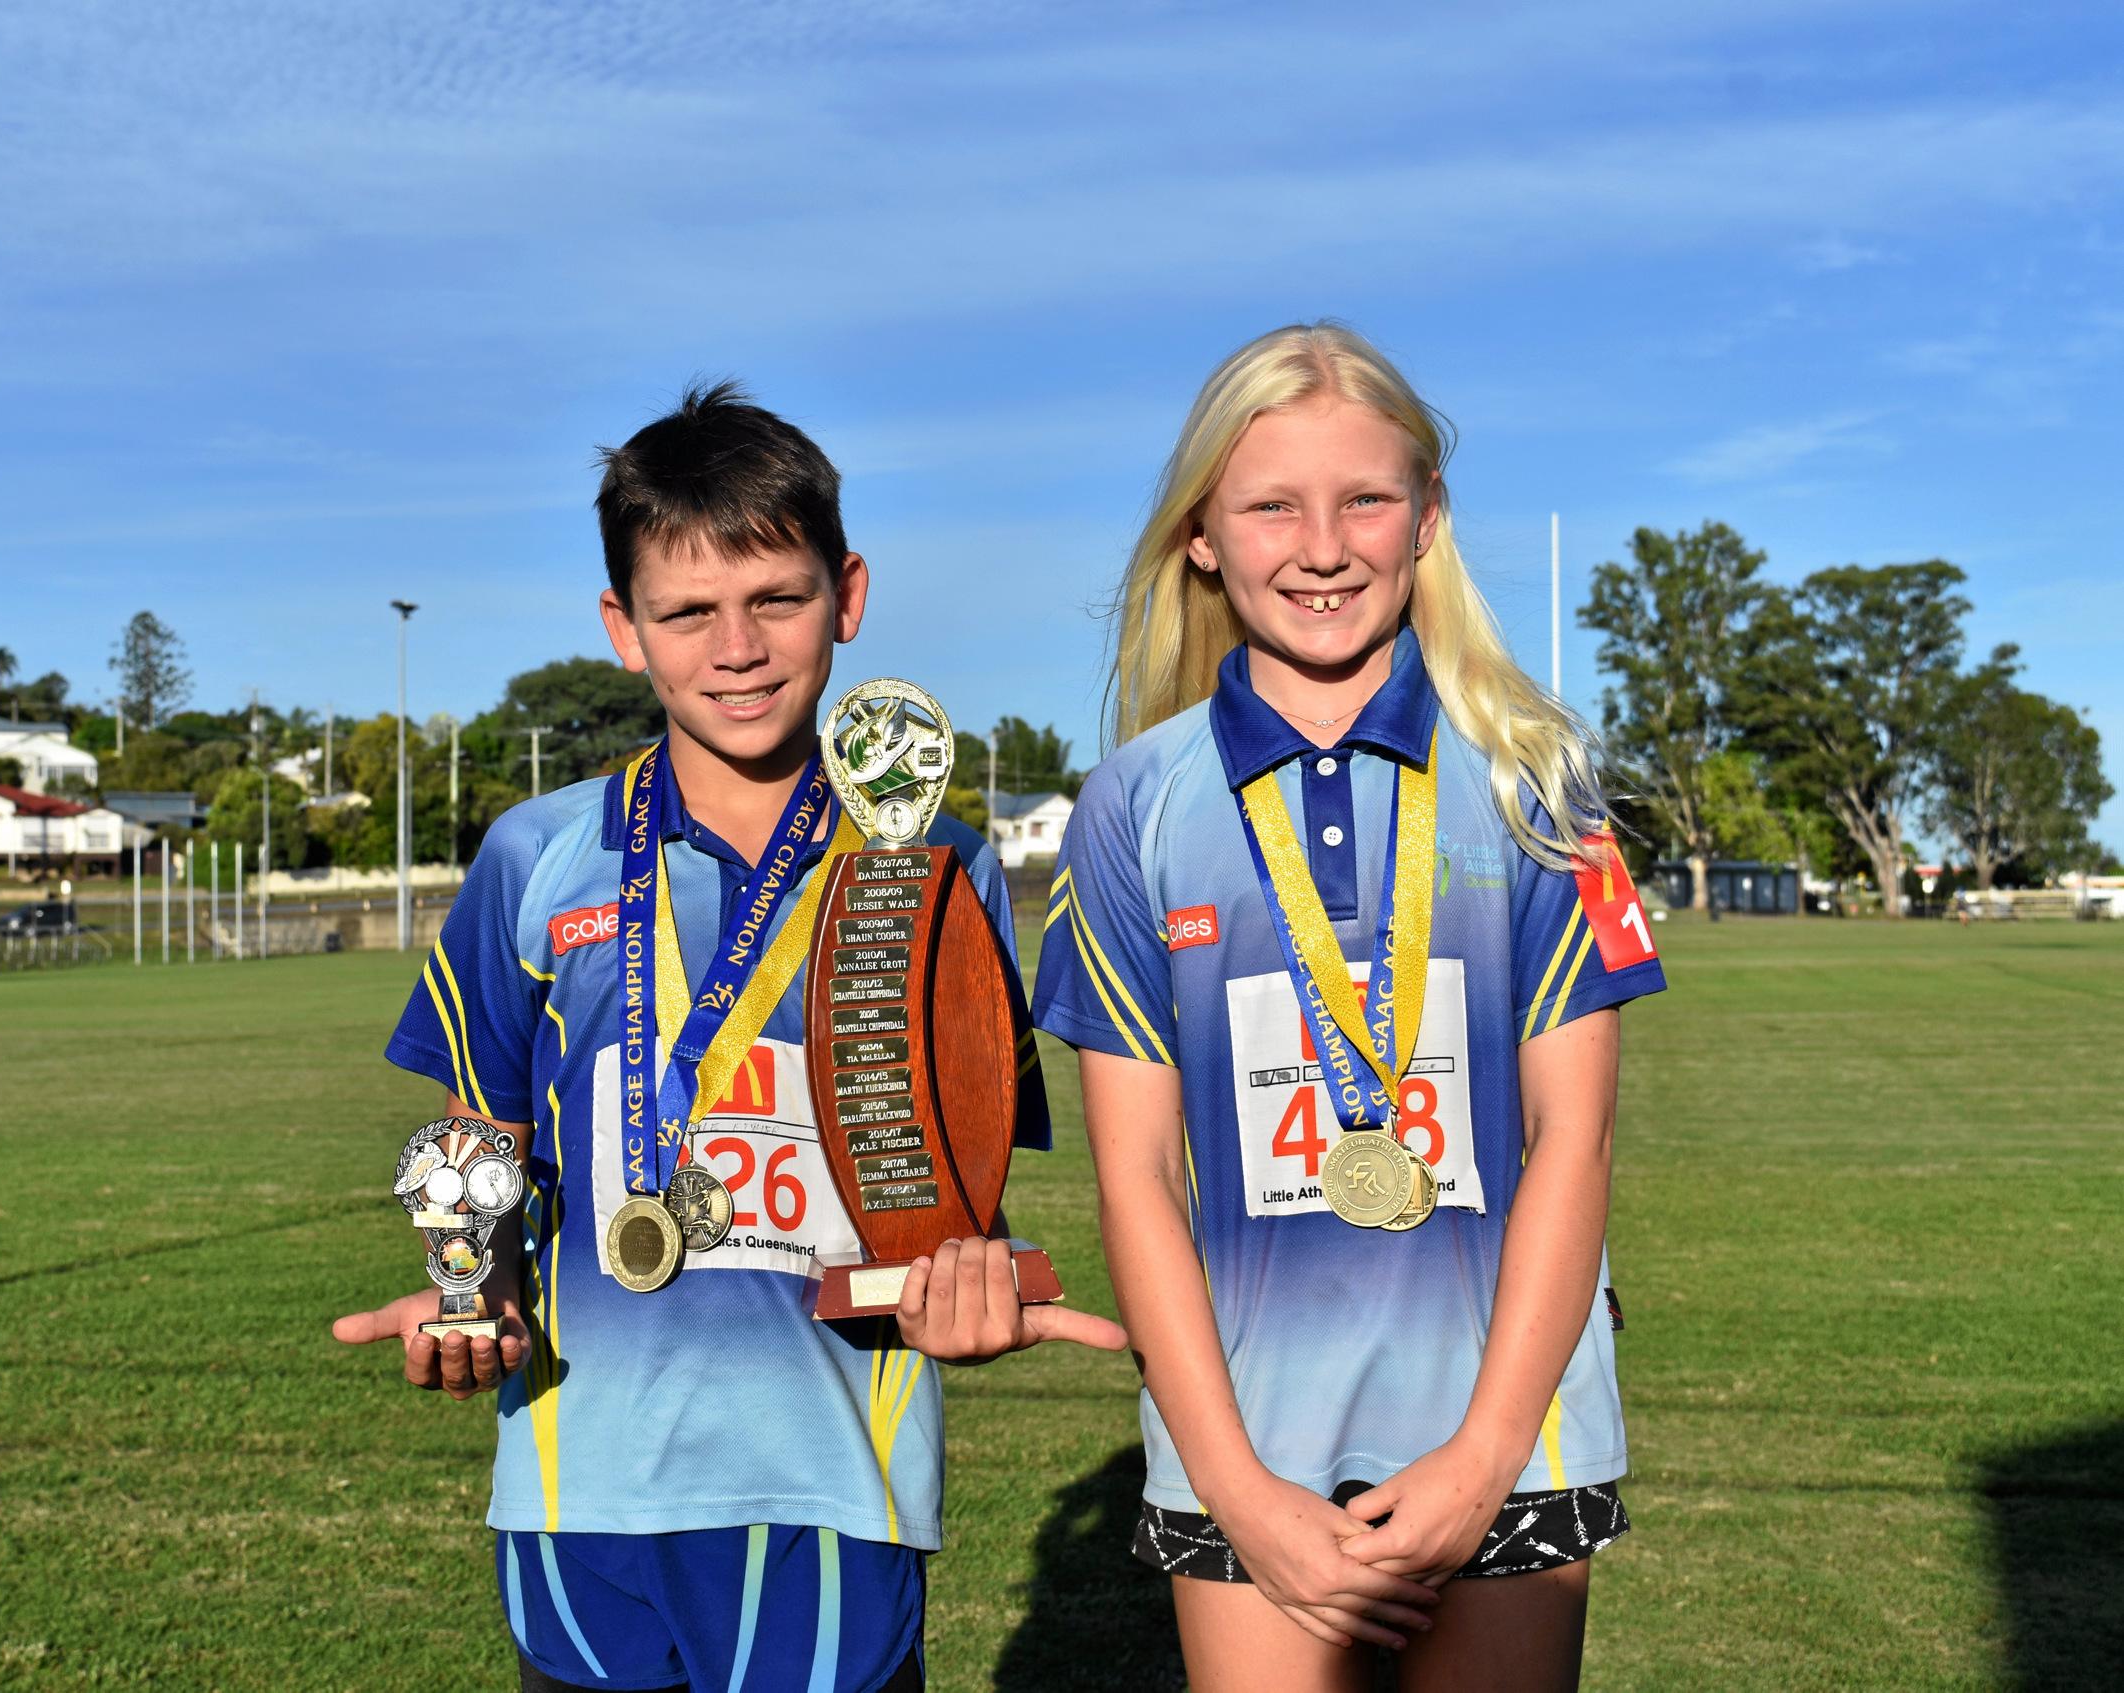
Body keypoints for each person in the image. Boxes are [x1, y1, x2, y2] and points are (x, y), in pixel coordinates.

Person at [335, 381, 1124, 1693]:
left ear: (847, 592)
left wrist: (962, 1282)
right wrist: (478, 1291)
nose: (738, 646)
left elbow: (958, 1168)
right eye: (687, 610)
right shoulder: (539, 856)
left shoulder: (936, 861)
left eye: (776, 598)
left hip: (828, 1474)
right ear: (622, 628)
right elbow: (485, 1139)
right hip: (575, 1475)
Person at [1031, 323, 1665, 1692]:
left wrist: (1486, 1454)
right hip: (1247, 1448)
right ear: (1201, 533)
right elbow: (1133, 1175)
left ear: (1425, 519)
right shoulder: (1132, 805)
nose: (1321, 545)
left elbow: (1577, 1140)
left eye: (1364, 499)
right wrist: (1239, 1490)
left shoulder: (1537, 778)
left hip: (1509, 1432)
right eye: (1270, 504)